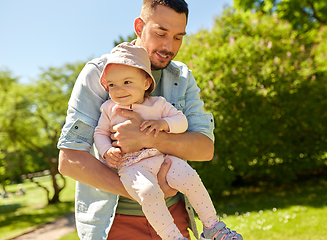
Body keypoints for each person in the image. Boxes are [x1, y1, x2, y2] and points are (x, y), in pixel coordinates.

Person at [56, 0, 231, 239]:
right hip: (115, 223)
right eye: (161, 33)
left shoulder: (182, 77)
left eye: (178, 37)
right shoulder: (99, 73)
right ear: (139, 27)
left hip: (175, 215)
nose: (169, 46)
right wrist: (148, 192)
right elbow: (70, 160)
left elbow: (204, 148)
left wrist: (146, 138)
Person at [93, 42, 243, 240]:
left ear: (146, 83)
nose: (118, 90)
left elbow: (181, 121)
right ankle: (174, 237)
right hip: (131, 167)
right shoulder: (108, 109)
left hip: (161, 158)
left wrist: (163, 123)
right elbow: (100, 133)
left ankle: (212, 226)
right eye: (112, 85)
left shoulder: (158, 104)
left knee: (190, 177)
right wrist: (106, 151)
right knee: (148, 192)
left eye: (127, 82)